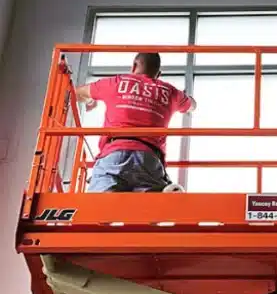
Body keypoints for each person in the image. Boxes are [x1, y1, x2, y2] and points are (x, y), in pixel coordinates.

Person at [75, 52, 196, 192]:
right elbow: (192, 106)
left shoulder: (115, 82)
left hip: (114, 154)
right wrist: (186, 97)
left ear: (134, 65)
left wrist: (90, 100)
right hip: (149, 159)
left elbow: (77, 93)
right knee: (147, 211)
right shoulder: (170, 91)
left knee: (99, 209)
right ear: (158, 74)